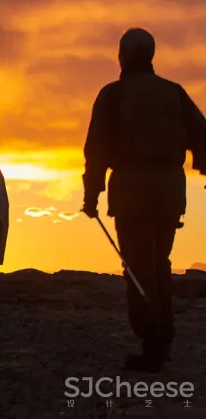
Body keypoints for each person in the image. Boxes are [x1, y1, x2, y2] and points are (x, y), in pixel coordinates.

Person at [81, 27, 206, 372]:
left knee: (138, 267)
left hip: (132, 191)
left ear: (122, 56)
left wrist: (92, 194)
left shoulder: (113, 94)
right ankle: (162, 338)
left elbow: (97, 150)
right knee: (160, 262)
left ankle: (152, 343)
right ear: (151, 56)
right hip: (168, 191)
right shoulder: (174, 93)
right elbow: (202, 135)